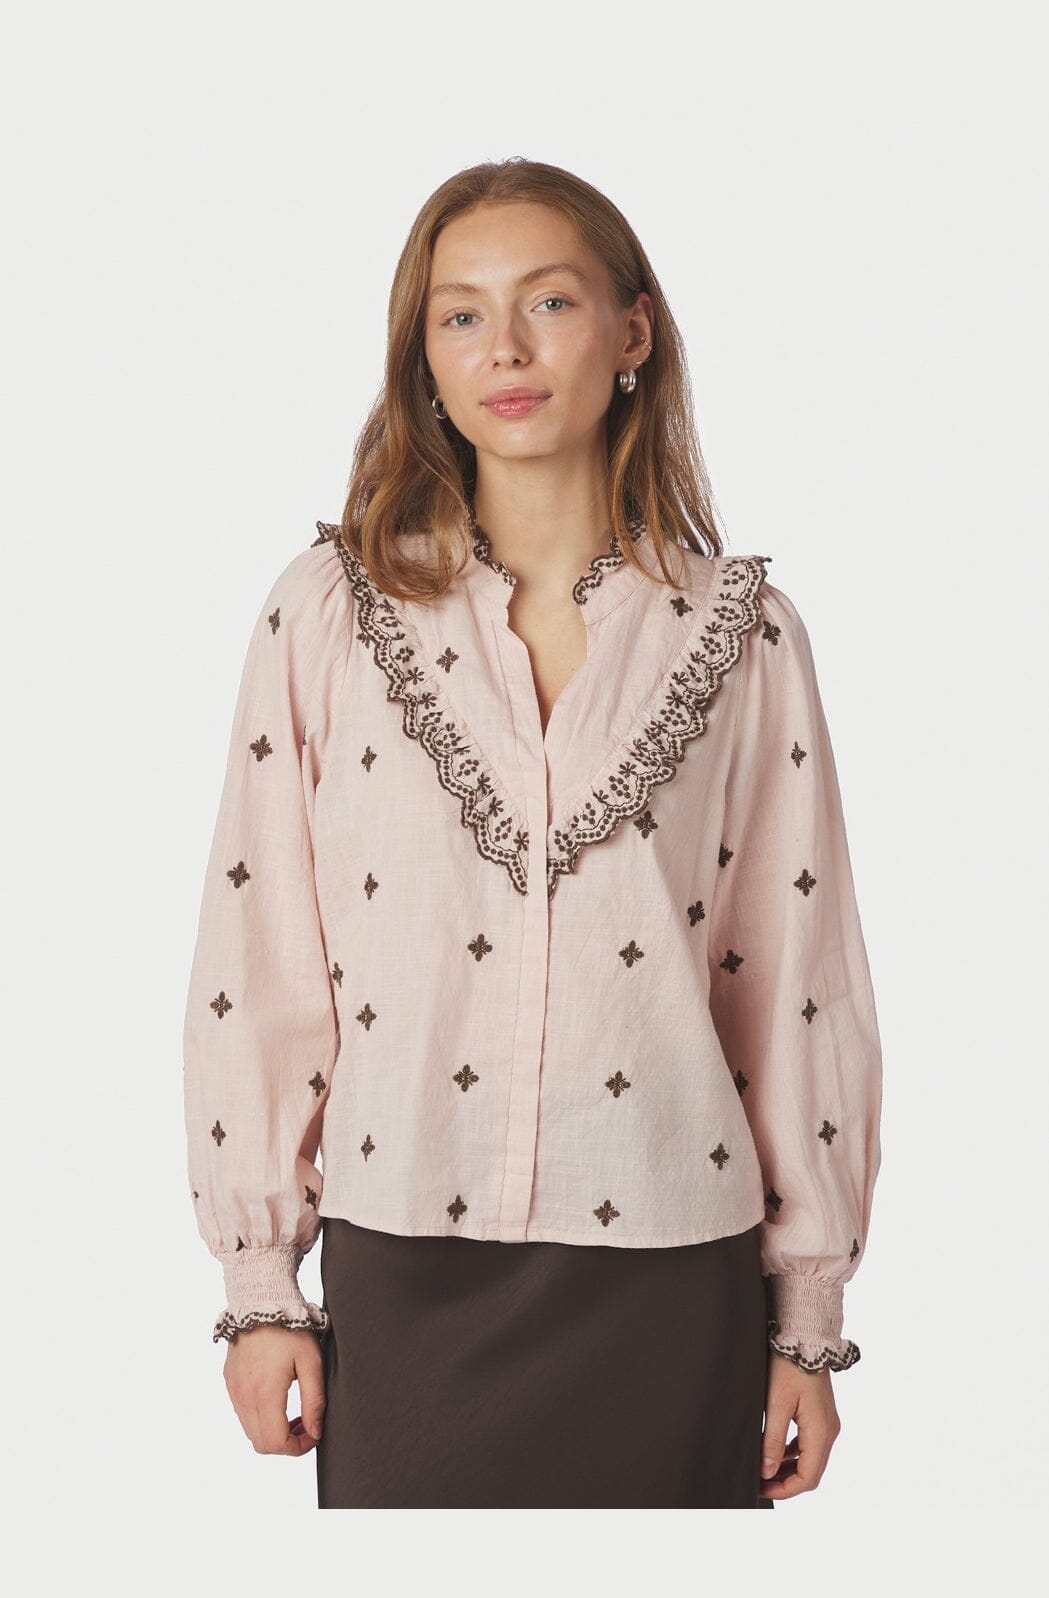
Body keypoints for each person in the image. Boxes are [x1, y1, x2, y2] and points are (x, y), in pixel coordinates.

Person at [182, 157, 883, 1510]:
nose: (502, 347)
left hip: (671, 1271)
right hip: (403, 1263)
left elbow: (795, 984)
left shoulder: (742, 640)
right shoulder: (327, 614)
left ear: (632, 332)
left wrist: (806, 1317)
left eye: (548, 302)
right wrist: (260, 1284)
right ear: (425, 360)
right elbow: (259, 957)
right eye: (459, 314)